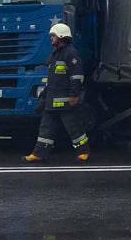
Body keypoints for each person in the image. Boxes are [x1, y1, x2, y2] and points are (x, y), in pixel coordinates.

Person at [22, 23, 90, 163]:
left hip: (66, 101)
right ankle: (38, 154)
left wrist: (74, 95)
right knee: (45, 129)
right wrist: (44, 97)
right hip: (51, 100)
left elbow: (77, 77)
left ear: (61, 37)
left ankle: (83, 152)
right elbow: (52, 79)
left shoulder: (71, 53)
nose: (51, 39)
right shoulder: (55, 54)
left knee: (74, 128)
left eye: (53, 36)